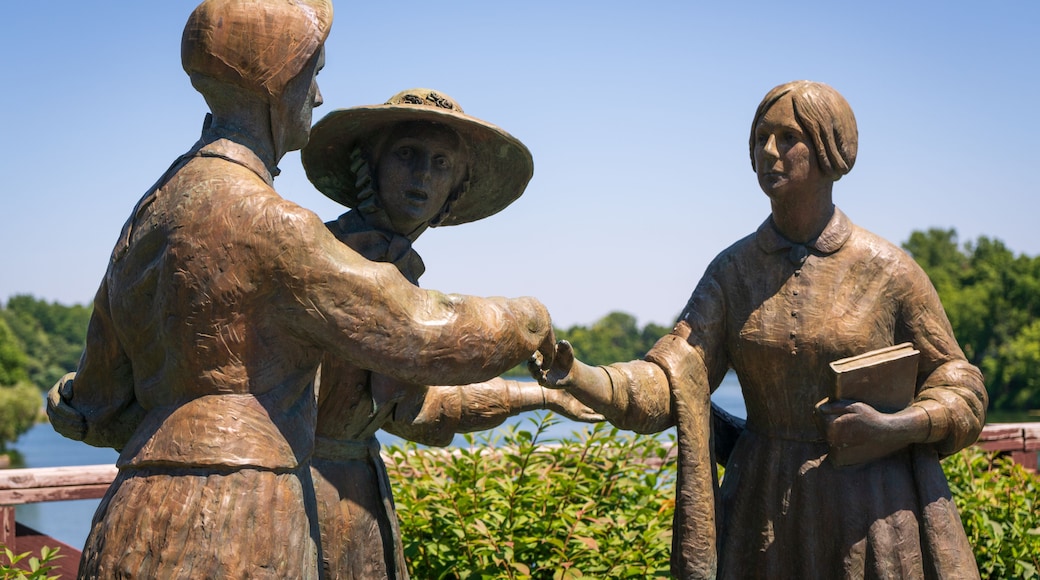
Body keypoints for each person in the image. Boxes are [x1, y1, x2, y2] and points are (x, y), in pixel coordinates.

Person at [45, 2, 558, 578]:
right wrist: (530, 320)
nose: (316, 96)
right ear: (277, 83)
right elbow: (419, 330)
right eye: (311, 75)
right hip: (241, 514)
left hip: (136, 514)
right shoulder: (276, 225)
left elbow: (95, 406)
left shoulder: (153, 209)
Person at [534, 80, 986, 579]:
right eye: (759, 139)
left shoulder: (888, 270)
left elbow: (960, 384)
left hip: (870, 508)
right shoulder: (732, 272)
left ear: (830, 149)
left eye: (787, 137)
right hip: (760, 508)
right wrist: (580, 376)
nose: (768, 152)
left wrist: (896, 426)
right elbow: (670, 379)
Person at [300, 87, 601, 579]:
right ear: (368, 165)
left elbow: (416, 410)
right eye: (407, 155)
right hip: (298, 500)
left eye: (442, 164)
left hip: (359, 502)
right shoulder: (328, 256)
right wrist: (531, 321)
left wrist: (542, 399)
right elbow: (427, 340)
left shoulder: (398, 271)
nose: (423, 175)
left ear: (456, 188)